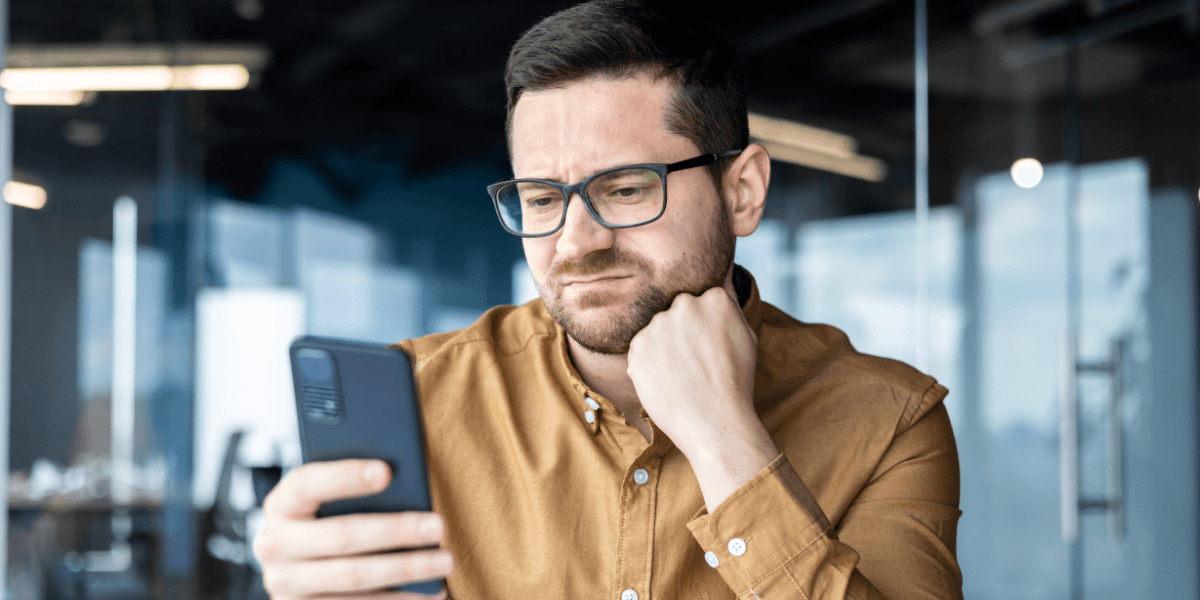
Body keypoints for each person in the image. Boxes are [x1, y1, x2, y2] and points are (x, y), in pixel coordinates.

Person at [253, 1, 963, 598]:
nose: (575, 243)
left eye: (625, 189)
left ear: (741, 192)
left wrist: (725, 439)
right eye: (542, 199)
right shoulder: (419, 401)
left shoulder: (887, 421)